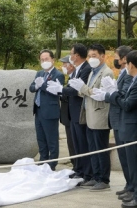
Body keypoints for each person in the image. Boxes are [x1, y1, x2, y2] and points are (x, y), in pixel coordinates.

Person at [99, 50, 137, 207]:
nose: (124, 66)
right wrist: (116, 94)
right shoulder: (135, 80)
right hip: (126, 126)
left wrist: (113, 94)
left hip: (133, 128)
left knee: (136, 165)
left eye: (126, 63)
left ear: (131, 65)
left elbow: (127, 104)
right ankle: (136, 193)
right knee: (132, 164)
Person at [68, 44, 113, 191]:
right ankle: (95, 176)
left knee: (100, 149)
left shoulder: (106, 72)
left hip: (99, 115)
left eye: (95, 56)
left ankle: (104, 179)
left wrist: (83, 88)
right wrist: (80, 89)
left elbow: (100, 94)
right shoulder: (93, 72)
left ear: (102, 56)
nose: (92, 59)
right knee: (92, 148)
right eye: (90, 56)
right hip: (89, 116)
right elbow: (86, 92)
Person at [46, 43, 92, 182]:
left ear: (76, 56)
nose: (70, 57)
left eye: (71, 54)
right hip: (72, 113)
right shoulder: (78, 69)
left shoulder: (86, 69)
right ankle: (79, 169)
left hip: (79, 112)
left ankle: (86, 173)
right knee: (76, 144)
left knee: (83, 145)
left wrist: (61, 89)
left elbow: (75, 90)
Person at [29, 49, 65, 170]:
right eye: (42, 59)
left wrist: (42, 85)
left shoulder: (58, 75)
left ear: (52, 60)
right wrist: (37, 85)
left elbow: (55, 91)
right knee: (41, 137)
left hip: (50, 111)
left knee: (52, 139)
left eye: (47, 59)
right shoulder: (39, 73)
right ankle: (43, 159)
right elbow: (31, 87)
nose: (44, 61)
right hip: (38, 110)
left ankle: (52, 162)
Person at [106, 46, 133, 199]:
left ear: (124, 58)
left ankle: (133, 187)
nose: (115, 59)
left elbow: (122, 96)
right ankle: (129, 184)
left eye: (116, 56)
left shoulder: (129, 75)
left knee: (128, 157)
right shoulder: (123, 73)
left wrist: (111, 93)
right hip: (117, 119)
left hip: (123, 119)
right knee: (123, 157)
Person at [56, 55, 76, 168]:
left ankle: (77, 166)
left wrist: (61, 90)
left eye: (65, 64)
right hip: (67, 117)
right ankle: (75, 166)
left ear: (71, 65)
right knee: (71, 144)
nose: (63, 67)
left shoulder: (75, 77)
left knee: (74, 144)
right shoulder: (70, 77)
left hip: (72, 116)